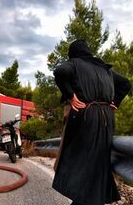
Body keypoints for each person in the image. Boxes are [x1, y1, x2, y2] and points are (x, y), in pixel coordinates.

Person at [52, 39, 131, 205]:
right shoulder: (105, 69)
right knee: (97, 161)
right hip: (107, 119)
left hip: (86, 116)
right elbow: (125, 83)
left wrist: (70, 96)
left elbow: (59, 71)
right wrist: (115, 102)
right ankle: (89, 199)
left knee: (78, 159)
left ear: (73, 53)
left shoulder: (74, 63)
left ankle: (84, 198)